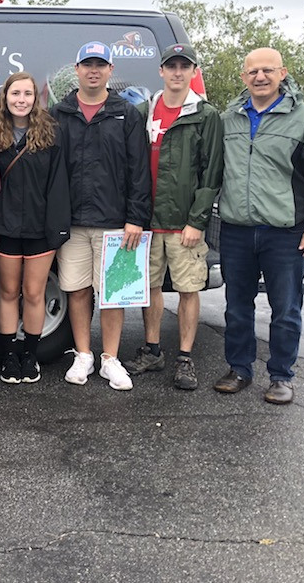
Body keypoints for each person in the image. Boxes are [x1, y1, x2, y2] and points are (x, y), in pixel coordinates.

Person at [214, 47, 304, 404]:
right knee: (236, 305)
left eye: (267, 70)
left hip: (286, 232)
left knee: (285, 307)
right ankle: (239, 369)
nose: (260, 77)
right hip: (237, 229)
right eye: (252, 71)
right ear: (243, 77)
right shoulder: (230, 119)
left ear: (282, 73)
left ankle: (282, 376)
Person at [122, 44, 223, 390]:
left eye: (185, 66)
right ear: (161, 72)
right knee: (148, 288)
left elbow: (212, 173)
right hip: (146, 222)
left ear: (193, 72)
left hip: (184, 225)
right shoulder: (142, 112)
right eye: (171, 66)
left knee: (188, 289)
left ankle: (184, 358)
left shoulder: (205, 115)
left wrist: (197, 221)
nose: (178, 72)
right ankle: (152, 350)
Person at [52, 42, 151, 391]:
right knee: (77, 291)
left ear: (111, 70)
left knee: (113, 293)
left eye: (101, 64)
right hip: (73, 223)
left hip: (116, 223)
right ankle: (83, 355)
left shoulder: (127, 113)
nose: (93, 70)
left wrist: (136, 218)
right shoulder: (59, 113)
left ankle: (110, 359)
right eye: (87, 64)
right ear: (76, 69)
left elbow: (139, 171)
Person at [0, 72, 70, 385]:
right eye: (15, 94)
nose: (21, 100)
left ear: (36, 99)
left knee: (34, 293)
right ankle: (10, 356)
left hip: (40, 229)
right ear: (5, 98)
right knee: (8, 293)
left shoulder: (50, 134)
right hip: (6, 227)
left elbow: (58, 184)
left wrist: (57, 230)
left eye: (27, 94)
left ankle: (30, 356)